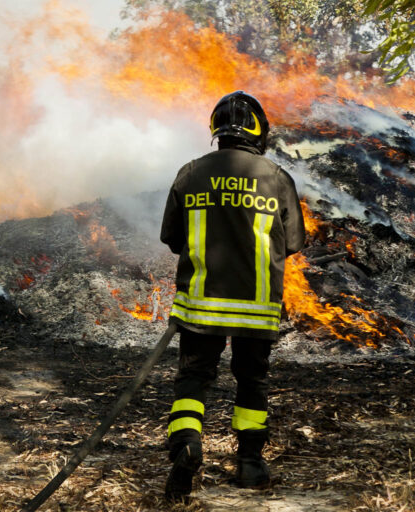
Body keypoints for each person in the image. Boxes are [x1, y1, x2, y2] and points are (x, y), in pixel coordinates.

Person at [160, 91, 306, 501]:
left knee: (193, 378)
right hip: (256, 308)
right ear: (259, 131)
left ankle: (187, 443)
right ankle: (250, 464)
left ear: (216, 130)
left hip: (200, 305)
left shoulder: (190, 173)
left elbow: (172, 238)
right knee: (252, 381)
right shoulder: (276, 177)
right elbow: (294, 242)